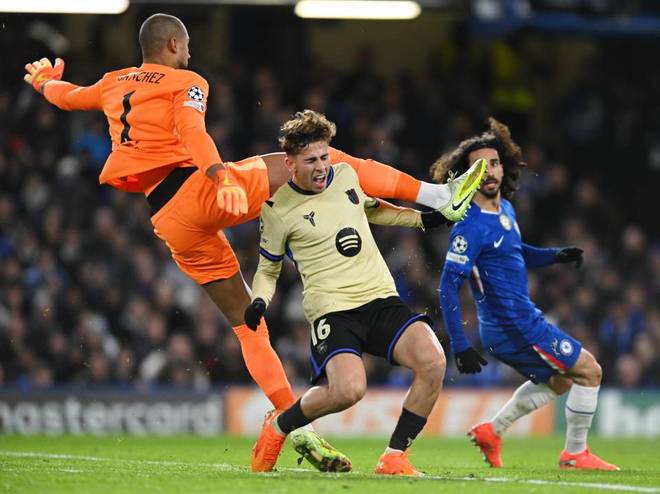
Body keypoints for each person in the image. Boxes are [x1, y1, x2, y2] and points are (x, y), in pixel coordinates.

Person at [23, 13, 483, 472]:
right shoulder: (186, 81)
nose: (190, 53)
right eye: (186, 44)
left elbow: (69, 97)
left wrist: (44, 81)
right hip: (199, 190)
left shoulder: (113, 81)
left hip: (167, 217)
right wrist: (219, 175)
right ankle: (437, 195)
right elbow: (192, 130)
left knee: (247, 326)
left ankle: (291, 423)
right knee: (324, 160)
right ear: (172, 45)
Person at [246, 110, 451, 475]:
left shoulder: (346, 176)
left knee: (433, 361)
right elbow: (268, 267)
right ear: (290, 163)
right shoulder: (278, 210)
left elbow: (372, 209)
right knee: (348, 391)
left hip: (379, 296)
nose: (321, 167)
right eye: (311, 160)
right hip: (332, 310)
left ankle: (394, 457)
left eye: (325, 156)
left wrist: (423, 219)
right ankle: (279, 425)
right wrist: (260, 300)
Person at [434, 118, 619, 471]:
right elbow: (447, 286)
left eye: (494, 163)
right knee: (590, 371)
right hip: (513, 326)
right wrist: (459, 344)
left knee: (560, 381)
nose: (489, 171)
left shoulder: (505, 209)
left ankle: (492, 430)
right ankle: (575, 453)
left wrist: (555, 256)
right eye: (478, 167)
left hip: (520, 321)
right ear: (467, 176)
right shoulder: (470, 226)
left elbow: (516, 252)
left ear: (503, 168)